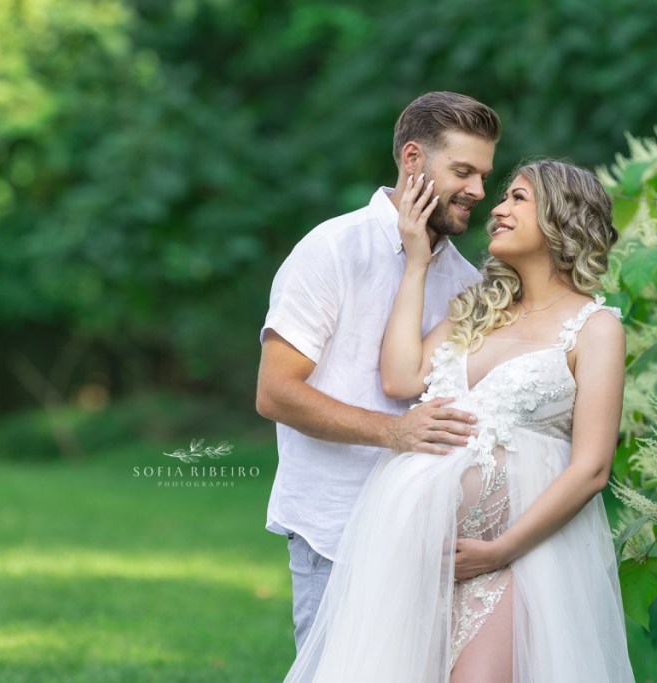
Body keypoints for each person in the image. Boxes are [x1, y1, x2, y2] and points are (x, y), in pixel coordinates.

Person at [284, 159, 635, 682]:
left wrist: (500, 550)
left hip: (519, 554)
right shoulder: (476, 307)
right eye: (503, 198)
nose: (496, 208)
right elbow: (401, 378)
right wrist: (417, 265)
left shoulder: (596, 328)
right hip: (410, 547)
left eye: (518, 198)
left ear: (565, 217)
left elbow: (591, 469)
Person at [255, 91, 502, 651]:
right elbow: (274, 393)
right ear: (412, 160)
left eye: (485, 176)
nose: (478, 192)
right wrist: (394, 433)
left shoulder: (465, 281)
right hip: (334, 527)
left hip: (426, 534)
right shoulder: (332, 250)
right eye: (463, 171)